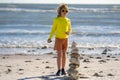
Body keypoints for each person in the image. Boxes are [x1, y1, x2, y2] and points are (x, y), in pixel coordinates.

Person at [47, 4, 72, 76]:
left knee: (64, 54)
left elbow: (70, 30)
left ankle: (63, 69)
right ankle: (58, 70)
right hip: (58, 39)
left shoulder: (68, 20)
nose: (65, 12)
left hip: (65, 39)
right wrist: (50, 37)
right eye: (63, 10)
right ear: (59, 11)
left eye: (66, 11)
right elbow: (53, 29)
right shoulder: (56, 19)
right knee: (59, 54)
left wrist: (69, 32)